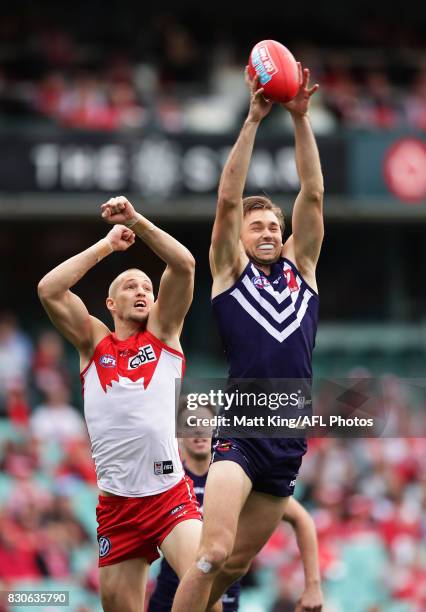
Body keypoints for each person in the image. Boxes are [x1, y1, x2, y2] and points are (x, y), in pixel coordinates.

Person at [172, 65, 324, 612]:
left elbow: (313, 192)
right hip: (242, 428)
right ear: (239, 237)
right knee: (212, 552)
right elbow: (227, 200)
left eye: (272, 226)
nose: (265, 231)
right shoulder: (229, 274)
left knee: (236, 566)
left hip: (289, 437)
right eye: (255, 226)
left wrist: (301, 120)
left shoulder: (301, 270)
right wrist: (254, 120)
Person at [37, 196, 218, 612]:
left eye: (147, 288)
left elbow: (185, 265)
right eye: (130, 286)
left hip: (168, 495)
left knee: (202, 589)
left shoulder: (164, 334)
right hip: (116, 504)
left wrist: (137, 220)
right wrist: (106, 246)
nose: (141, 291)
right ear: (110, 304)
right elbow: (49, 289)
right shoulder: (93, 342)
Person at [148, 425, 323, 611]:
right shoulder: (172, 482)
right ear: (179, 436)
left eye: (206, 426)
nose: (199, 434)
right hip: (170, 598)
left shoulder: (241, 479)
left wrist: (313, 586)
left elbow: (302, 519)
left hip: (225, 597)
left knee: (226, 562)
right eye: (191, 426)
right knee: (212, 556)